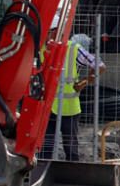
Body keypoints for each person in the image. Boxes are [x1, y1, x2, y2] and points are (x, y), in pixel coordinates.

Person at [40, 24, 106, 162]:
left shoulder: (73, 48)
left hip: (67, 107)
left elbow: (99, 66)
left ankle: (69, 174)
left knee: (70, 148)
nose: (46, 34)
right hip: (46, 107)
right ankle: (44, 174)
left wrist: (85, 82)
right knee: (46, 148)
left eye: (49, 31)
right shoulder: (40, 48)